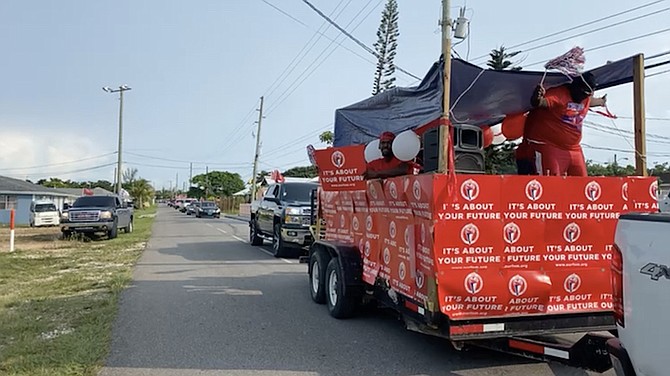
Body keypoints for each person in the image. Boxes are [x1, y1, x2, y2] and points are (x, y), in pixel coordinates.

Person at [522, 72, 607, 176]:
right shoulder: (559, 94)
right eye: (584, 93)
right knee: (551, 183)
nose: (585, 97)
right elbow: (540, 103)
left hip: (574, 148)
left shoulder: (586, 98)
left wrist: (601, 101)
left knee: (582, 184)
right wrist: (537, 97)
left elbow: (591, 101)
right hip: (548, 145)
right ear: (576, 87)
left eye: (589, 94)